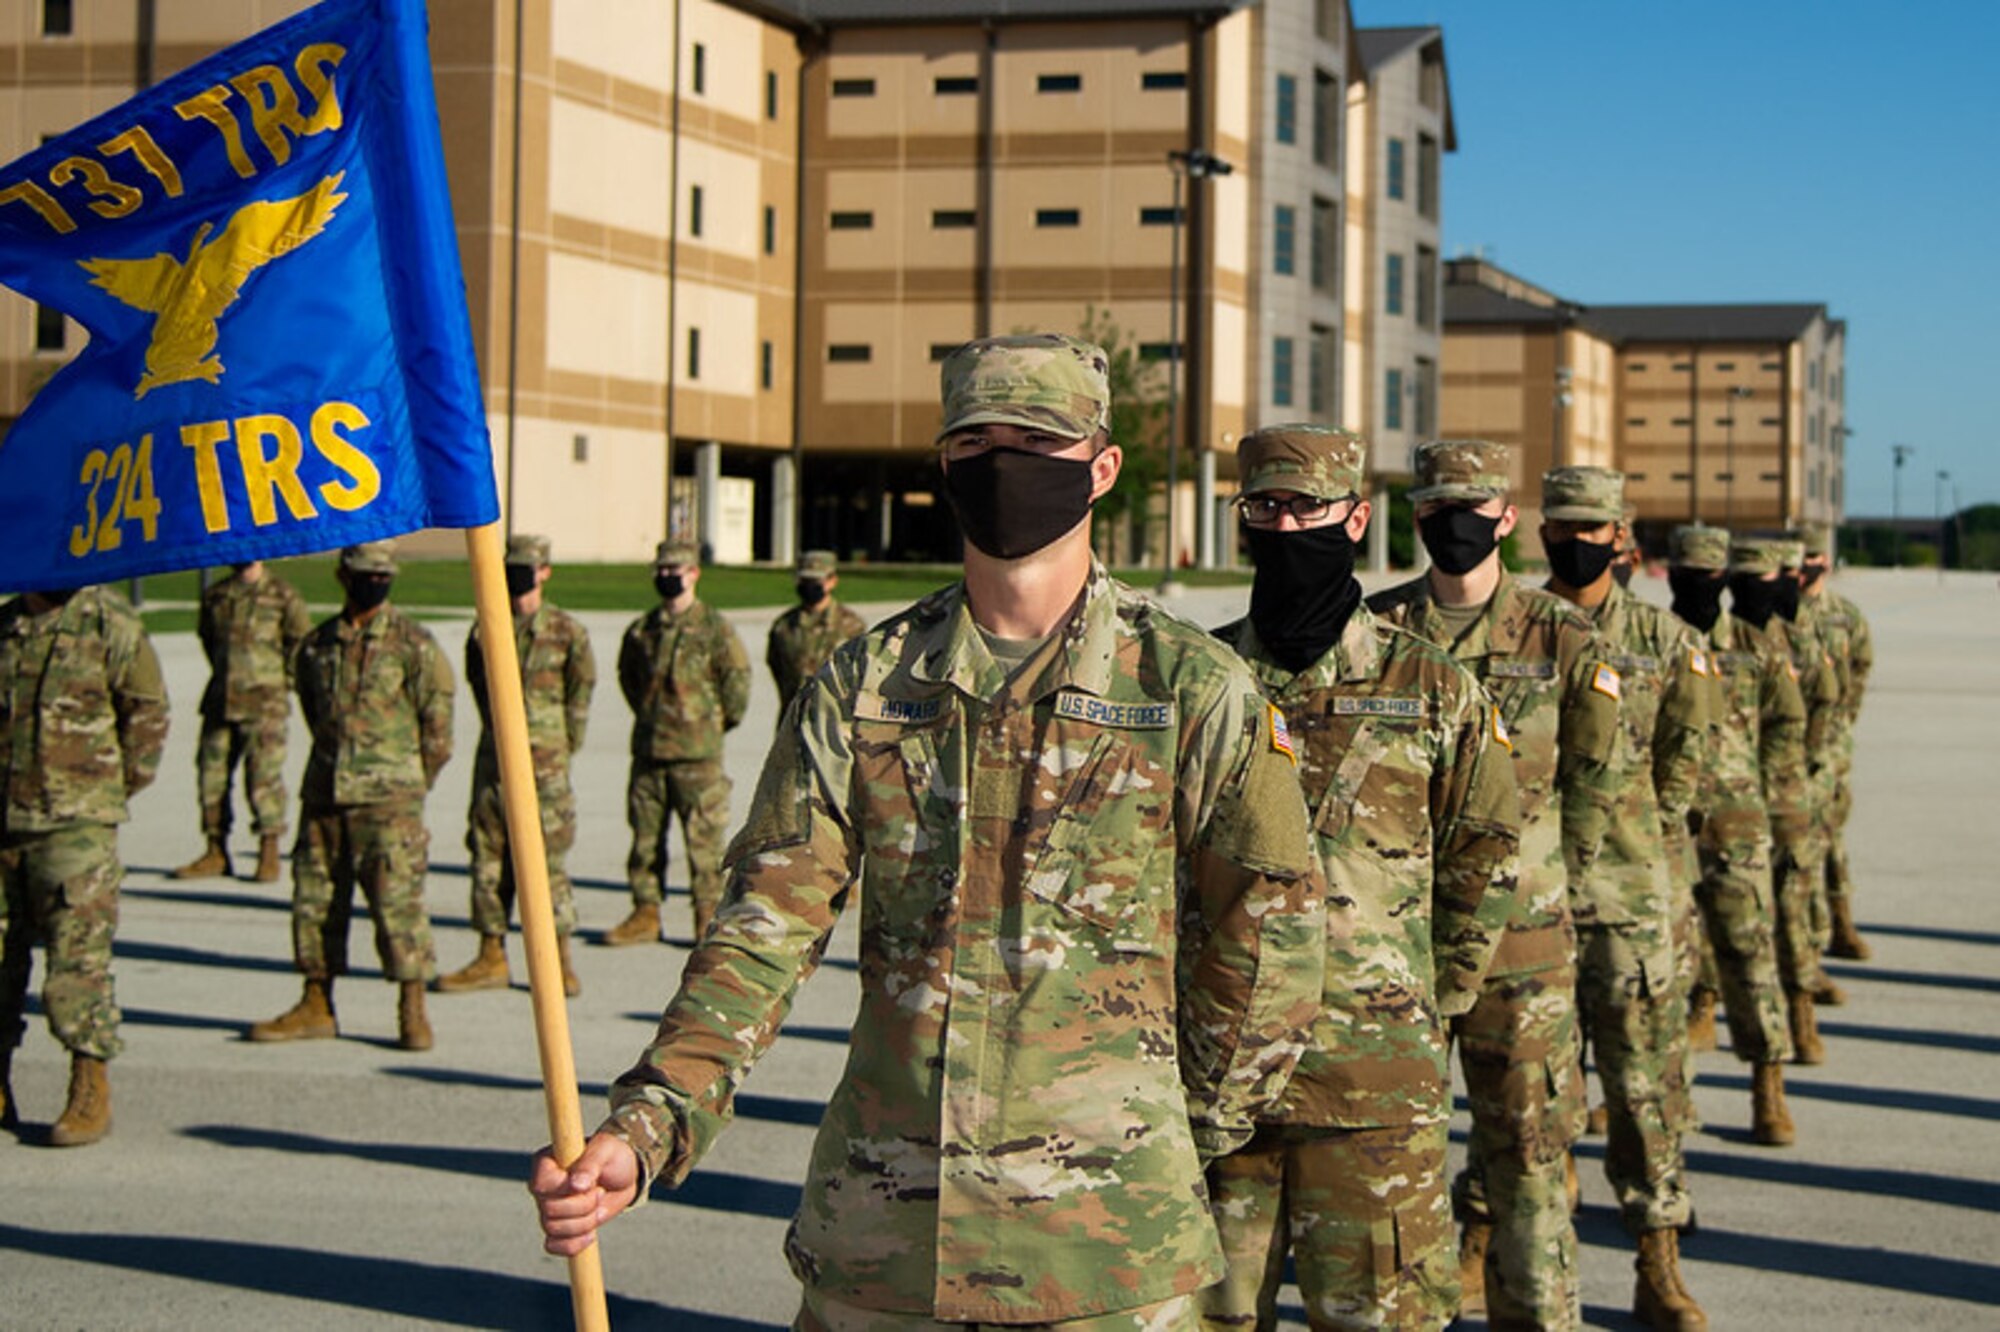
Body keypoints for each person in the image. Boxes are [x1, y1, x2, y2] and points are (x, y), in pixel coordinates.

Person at [530, 333, 1326, 1328]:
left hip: (1104, 1255)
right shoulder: (865, 685)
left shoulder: (1192, 689)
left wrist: (1172, 1130)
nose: (1001, 465)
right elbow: (761, 932)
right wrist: (651, 1122)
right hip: (887, 1238)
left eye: (1035, 440)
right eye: (973, 441)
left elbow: (1274, 942)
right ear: (943, 466)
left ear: (1102, 467)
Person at [1204, 425, 1522, 1330]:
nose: (1287, 522)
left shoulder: (1435, 688)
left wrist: (1430, 998)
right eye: (1266, 506)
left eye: (1309, 506)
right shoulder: (1205, 680)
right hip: (1226, 1083)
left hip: (1374, 1084)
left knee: (1381, 1317)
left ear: (1356, 517)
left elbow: (1486, 849)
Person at [1368, 440, 1621, 1331]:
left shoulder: (1564, 638)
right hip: (1401, 945)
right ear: (1415, 519)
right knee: (1397, 1162)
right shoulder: (1377, 632)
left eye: (1473, 509)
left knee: (1528, 1158)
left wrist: (1561, 900)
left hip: (1525, 945)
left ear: (1508, 518)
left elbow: (1594, 786)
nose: (1455, 525)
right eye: (1436, 509)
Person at [1538, 468, 1710, 1331]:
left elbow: (1685, 765)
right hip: (1531, 902)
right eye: (1560, 523)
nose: (1574, 539)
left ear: (1620, 535)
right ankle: (1491, 1240)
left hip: (1631, 899)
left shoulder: (1668, 641)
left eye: (1591, 525)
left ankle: (1658, 1263)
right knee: (1528, 1094)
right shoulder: (1518, 631)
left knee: (1644, 1092)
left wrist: (1645, 847)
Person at [249, 542, 454, 1052]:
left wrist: (407, 781)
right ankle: (316, 1001)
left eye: (384, 575)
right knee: (315, 902)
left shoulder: (414, 644)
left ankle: (412, 1007)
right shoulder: (317, 645)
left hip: (390, 801)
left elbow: (438, 727)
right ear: (344, 576)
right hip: (325, 794)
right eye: (366, 574)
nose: (375, 582)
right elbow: (316, 713)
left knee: (398, 906)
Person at [0, 584, 167, 1145]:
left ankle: (88, 1084)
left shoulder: (108, 621)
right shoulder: (6, 627)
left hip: (75, 826)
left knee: (77, 965)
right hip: (5, 821)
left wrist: (104, 793)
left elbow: (146, 712)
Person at [1669, 525, 1803, 1144]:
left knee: (1750, 956)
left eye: (1709, 575)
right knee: (1653, 970)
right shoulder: (1652, 641)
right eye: (1687, 574)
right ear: (1669, 576)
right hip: (1663, 827)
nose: (1699, 586)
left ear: (1725, 580)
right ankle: (1651, 1099)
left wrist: (1772, 795)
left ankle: (1766, 1086)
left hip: (1738, 821)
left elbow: (1787, 722)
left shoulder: (1755, 645)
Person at [437, 535, 595, 999]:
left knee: (547, 864)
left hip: (545, 768)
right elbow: (477, 683)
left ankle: (558, 959)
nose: (519, 576)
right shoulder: (487, 628)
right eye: (513, 567)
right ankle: (490, 954)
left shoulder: (568, 632)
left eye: (528, 568)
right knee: (487, 858)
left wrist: (561, 747)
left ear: (545, 571)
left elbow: (579, 695)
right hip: (495, 764)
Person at [609, 540, 750, 946]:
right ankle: (645, 911)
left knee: (704, 845)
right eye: (662, 571)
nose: (668, 577)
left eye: (677, 570)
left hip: (698, 754)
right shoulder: (643, 630)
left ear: (694, 574)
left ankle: (706, 916)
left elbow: (736, 686)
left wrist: (711, 724)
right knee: (645, 839)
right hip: (650, 751)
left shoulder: (716, 630)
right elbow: (630, 680)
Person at [1730, 538, 1838, 1066]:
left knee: (1791, 915)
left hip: (1788, 795)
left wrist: (1809, 767)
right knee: (1730, 924)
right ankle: (1708, 1006)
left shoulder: (1797, 639)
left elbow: (1826, 700)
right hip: (1731, 807)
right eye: (1742, 579)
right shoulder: (1716, 641)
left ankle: (1801, 1013)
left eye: (1764, 580)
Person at [170, 560, 310, 884]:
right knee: (211, 779)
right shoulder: (216, 596)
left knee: (263, 780)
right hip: (221, 700)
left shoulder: (283, 596)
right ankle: (215, 850)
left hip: (265, 704)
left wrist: (280, 683)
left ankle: (269, 849)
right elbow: (208, 639)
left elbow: (300, 645)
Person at [1795, 524, 1873, 961]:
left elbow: (1860, 669)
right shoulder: (1780, 612)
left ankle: (1841, 921)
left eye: (1809, 559)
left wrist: (1842, 722)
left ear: (1823, 561)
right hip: (1789, 745)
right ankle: (1807, 931)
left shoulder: (1845, 615)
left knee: (1830, 837)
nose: (1802, 569)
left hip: (1832, 747)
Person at [768, 549, 867, 713]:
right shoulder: (784, 627)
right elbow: (777, 669)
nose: (809, 586)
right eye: (804, 580)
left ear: (832, 581)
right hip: (794, 722)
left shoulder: (851, 627)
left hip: (835, 724)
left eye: (815, 580)